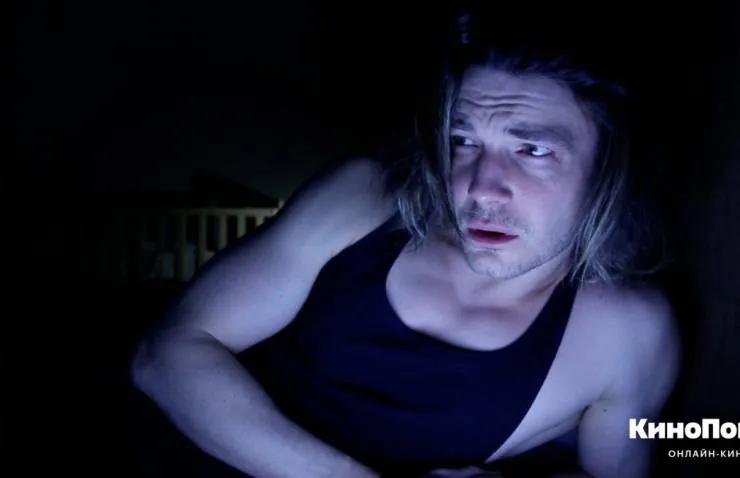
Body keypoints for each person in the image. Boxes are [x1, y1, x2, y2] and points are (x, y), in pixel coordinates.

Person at [131, 10, 680, 478]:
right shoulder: (362, 200)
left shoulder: (626, 332)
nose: (479, 187)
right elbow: (165, 355)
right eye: (463, 140)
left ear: (606, 169)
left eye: (532, 151)